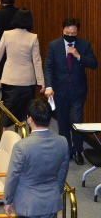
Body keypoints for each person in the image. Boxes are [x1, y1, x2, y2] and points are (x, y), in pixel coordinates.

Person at [3, 99, 69, 218]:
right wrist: (55, 193)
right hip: (51, 203)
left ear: (29, 119)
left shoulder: (21, 146)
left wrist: (8, 200)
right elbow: (61, 175)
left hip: (27, 205)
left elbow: (13, 176)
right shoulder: (63, 142)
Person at [45, 18, 98, 165]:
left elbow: (94, 64)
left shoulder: (84, 45)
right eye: (67, 32)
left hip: (77, 91)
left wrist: (78, 56)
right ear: (62, 31)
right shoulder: (54, 45)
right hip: (59, 91)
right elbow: (48, 67)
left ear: (77, 32)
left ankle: (78, 150)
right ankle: (67, 150)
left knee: (76, 121)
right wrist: (48, 86)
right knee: (62, 122)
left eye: (73, 33)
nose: (70, 34)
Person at [0, 9, 44, 127]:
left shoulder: (7, 34)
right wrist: (41, 82)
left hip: (10, 78)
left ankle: (3, 137)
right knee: (28, 111)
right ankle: (27, 136)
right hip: (27, 81)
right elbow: (37, 61)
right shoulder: (33, 37)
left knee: (7, 109)